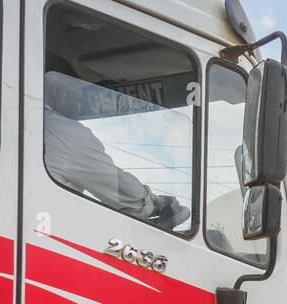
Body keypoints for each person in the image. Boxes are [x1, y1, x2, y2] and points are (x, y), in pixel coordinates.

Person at [42, 52, 190, 230]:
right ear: (54, 89)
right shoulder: (67, 133)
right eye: (74, 88)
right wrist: (158, 205)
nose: (80, 98)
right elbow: (118, 187)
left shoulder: (25, 120)